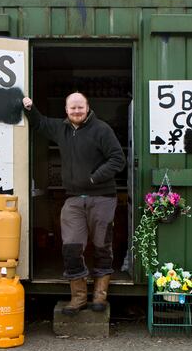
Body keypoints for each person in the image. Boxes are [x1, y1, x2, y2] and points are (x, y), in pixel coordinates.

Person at [22, 92, 126, 315]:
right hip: (73, 199)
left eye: (80, 107)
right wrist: (29, 108)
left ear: (87, 108)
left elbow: (118, 159)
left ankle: (100, 296)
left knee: (102, 245)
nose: (77, 111)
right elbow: (39, 123)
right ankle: (78, 298)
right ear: (66, 110)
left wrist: (94, 177)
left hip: (102, 197)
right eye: (72, 108)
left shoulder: (102, 130)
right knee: (71, 247)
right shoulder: (61, 128)